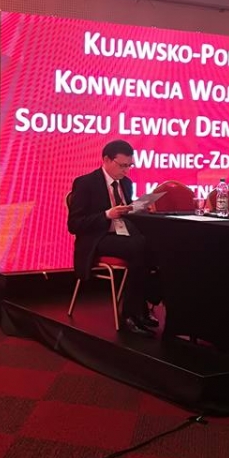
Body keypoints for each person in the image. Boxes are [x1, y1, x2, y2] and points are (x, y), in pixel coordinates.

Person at [67, 139, 160, 337]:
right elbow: (74, 224)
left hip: (124, 236)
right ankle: (134, 314)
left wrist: (139, 208)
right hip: (97, 239)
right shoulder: (85, 183)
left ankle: (140, 309)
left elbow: (127, 213)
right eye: (122, 165)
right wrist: (107, 215)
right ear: (107, 160)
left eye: (130, 165)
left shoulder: (126, 183)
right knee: (139, 247)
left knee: (152, 246)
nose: (126, 171)